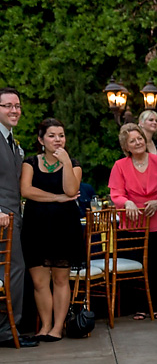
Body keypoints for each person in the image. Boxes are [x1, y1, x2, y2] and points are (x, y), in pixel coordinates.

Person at [20, 118, 85, 342]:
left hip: (64, 227)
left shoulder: (73, 163)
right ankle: (45, 325)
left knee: (60, 279)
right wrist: (56, 198)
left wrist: (66, 163)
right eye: (51, 135)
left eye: (61, 135)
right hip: (35, 226)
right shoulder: (29, 162)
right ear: (41, 139)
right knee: (39, 281)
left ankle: (58, 327)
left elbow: (71, 189)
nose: (57, 140)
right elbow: (26, 190)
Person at [109, 124, 157, 320]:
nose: (138, 142)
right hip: (133, 222)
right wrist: (127, 203)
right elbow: (116, 193)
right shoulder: (120, 166)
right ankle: (139, 307)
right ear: (126, 147)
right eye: (132, 141)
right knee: (137, 265)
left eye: (140, 138)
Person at [0, 88, 38, 348]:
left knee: (12, 272)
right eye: (8, 106)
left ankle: (9, 328)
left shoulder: (12, 141)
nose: (15, 110)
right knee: (11, 272)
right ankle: (6, 331)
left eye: (18, 106)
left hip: (15, 217)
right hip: (2, 218)